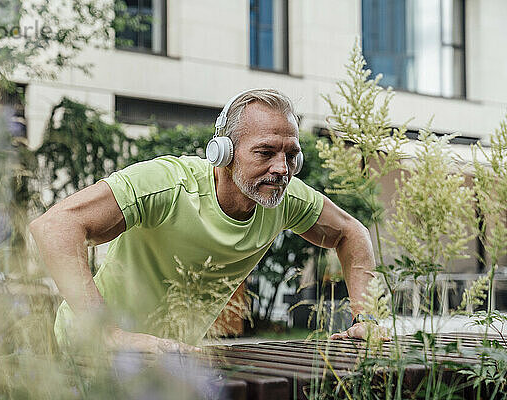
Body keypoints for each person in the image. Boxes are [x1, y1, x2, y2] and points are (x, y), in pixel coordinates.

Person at [30, 88, 385, 353]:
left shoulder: (285, 198)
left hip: (169, 361)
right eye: (265, 152)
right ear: (224, 152)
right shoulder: (168, 185)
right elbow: (55, 226)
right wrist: (108, 335)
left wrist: (366, 319)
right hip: (81, 353)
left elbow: (351, 233)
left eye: (291, 155)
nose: (281, 169)